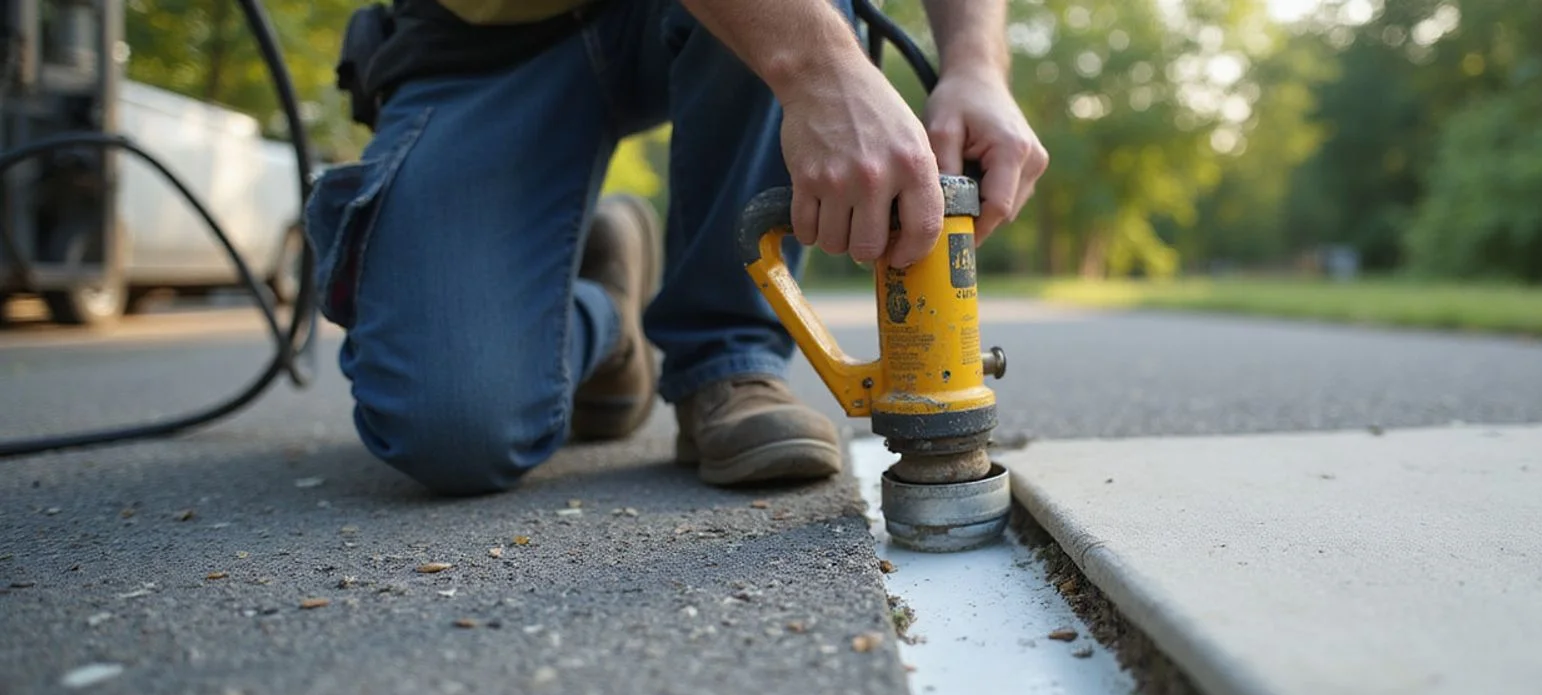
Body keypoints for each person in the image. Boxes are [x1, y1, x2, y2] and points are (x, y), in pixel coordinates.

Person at [307, 0, 1048, 495]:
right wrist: (820, 69)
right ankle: (605, 310)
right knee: (453, 430)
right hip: (481, 36)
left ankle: (726, 358)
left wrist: (977, 64)